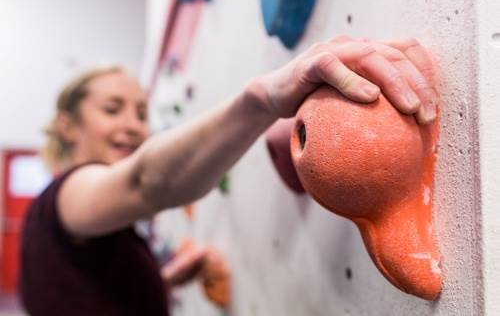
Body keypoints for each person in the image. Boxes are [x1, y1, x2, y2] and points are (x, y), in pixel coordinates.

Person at [20, 36, 438, 315]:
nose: (132, 126)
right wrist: (262, 99)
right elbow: (144, 182)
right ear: (68, 126)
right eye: (112, 110)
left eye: (141, 113)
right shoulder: (70, 195)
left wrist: (159, 280)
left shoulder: (64, 219)